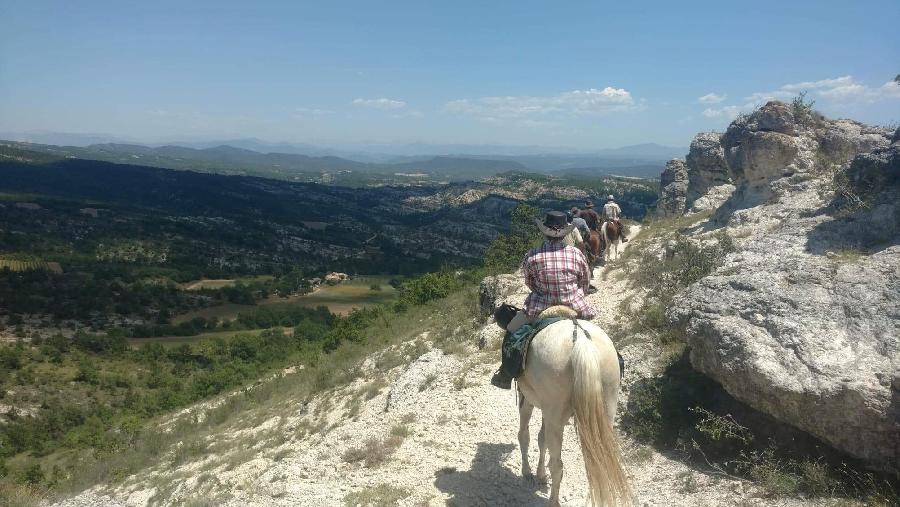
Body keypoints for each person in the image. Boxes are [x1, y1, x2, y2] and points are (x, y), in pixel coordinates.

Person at [491, 211, 598, 389]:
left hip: (540, 308)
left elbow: (529, 282)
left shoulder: (532, 255)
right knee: (595, 336)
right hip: (574, 306)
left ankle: (505, 374)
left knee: (511, 331)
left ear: (544, 232)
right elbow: (585, 283)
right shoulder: (577, 254)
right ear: (565, 233)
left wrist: (545, 292)